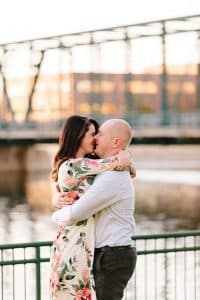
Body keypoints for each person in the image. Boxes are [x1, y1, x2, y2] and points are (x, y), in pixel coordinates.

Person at [50, 115, 134, 300]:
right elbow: (112, 163)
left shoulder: (103, 171)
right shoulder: (77, 166)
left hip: (94, 249)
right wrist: (124, 155)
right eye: (92, 134)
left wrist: (124, 154)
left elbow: (110, 164)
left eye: (99, 134)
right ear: (78, 136)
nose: (95, 138)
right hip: (74, 245)